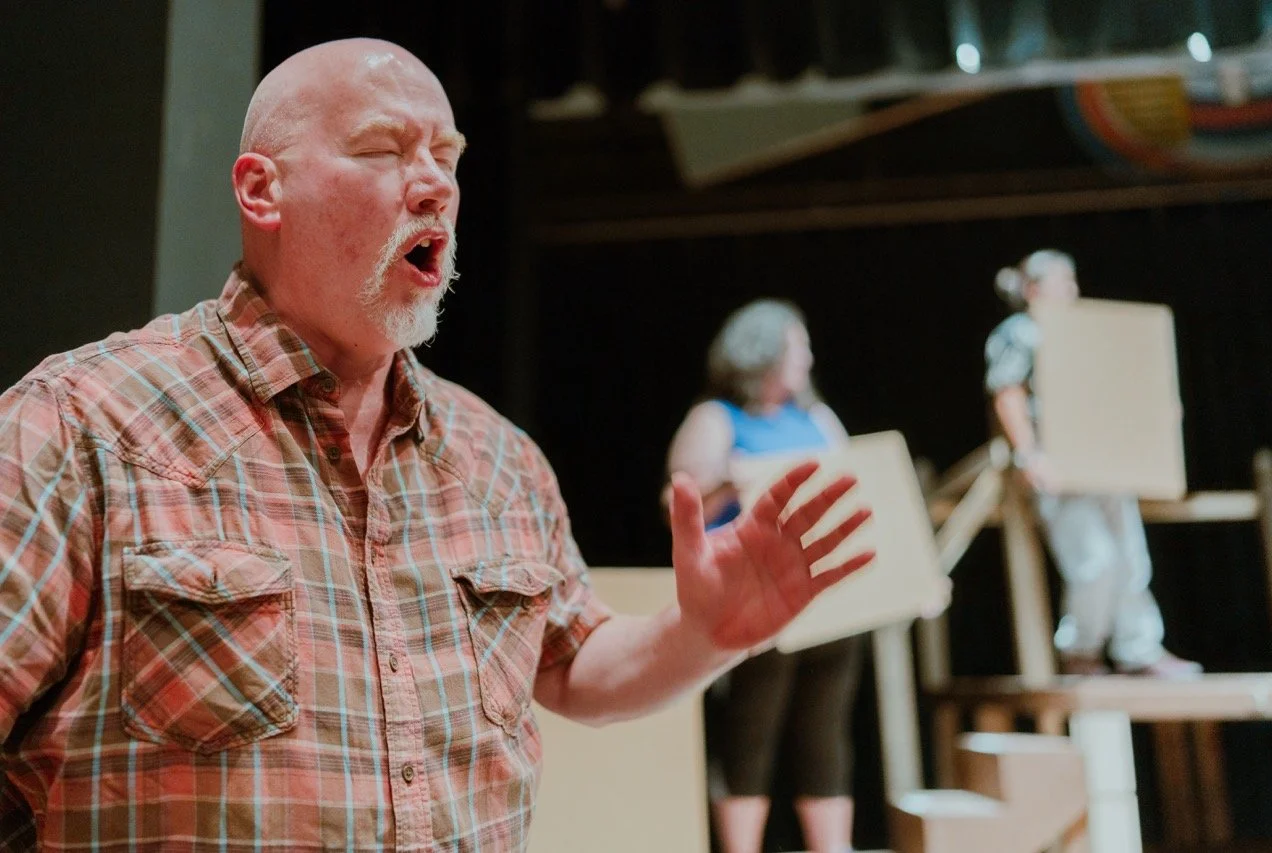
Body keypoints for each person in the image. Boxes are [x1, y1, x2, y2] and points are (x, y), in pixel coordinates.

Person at [0, 39, 874, 851]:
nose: (434, 186)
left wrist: (705, 633)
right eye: (384, 150)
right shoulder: (86, 423)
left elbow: (577, 664)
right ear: (263, 190)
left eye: (446, 157)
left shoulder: (497, 457)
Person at [665, 300, 868, 853]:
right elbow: (678, 509)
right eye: (796, 344)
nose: (807, 356)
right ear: (763, 351)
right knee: (752, 731)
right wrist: (729, 484)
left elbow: (857, 489)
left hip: (829, 600)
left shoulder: (818, 418)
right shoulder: (717, 420)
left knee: (827, 735)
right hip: (756, 600)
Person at [985, 249, 1201, 678]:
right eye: (1059, 282)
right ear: (1032, 289)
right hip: (1062, 468)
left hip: (1106, 463)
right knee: (1094, 562)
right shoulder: (1023, 331)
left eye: (1072, 281)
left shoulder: (1087, 333)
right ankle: (1081, 650)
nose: (1071, 290)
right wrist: (1031, 455)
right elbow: (1007, 391)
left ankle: (1138, 648)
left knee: (1131, 559)